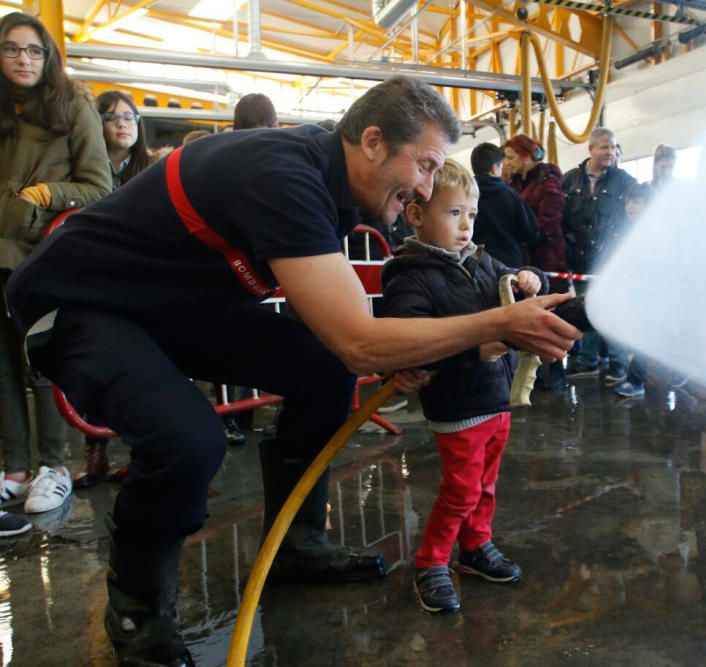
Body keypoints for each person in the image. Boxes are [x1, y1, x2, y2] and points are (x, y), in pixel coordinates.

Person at [5, 76, 578, 664]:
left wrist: (405, 349)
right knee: (188, 440)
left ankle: (297, 544)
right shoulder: (283, 174)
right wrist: (495, 324)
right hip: (80, 299)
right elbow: (360, 341)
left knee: (322, 370)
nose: (425, 189)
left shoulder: (334, 186)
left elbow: (351, 339)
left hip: (172, 307)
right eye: (426, 166)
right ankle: (139, 618)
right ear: (374, 141)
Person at [381, 159, 546, 613]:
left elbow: (514, 285)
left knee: (486, 484)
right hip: (458, 405)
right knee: (461, 490)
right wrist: (474, 350)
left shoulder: (482, 260)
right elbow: (410, 343)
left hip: (496, 399)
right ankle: (431, 562)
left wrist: (532, 278)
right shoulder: (410, 276)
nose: (466, 225)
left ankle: (475, 547)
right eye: (454, 214)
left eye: (471, 215)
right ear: (416, 215)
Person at [0, 13, 112, 525]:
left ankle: (53, 464)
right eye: (12, 49)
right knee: (2, 368)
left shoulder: (74, 104)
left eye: (34, 50)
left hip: (42, 255)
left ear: (48, 56)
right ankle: (16, 469)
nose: (24, 59)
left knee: (40, 363)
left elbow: (99, 187)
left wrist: (48, 194)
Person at [73, 91, 157, 489]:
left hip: (143, 283)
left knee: (155, 369)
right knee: (98, 368)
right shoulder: (86, 173)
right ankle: (96, 451)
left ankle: (151, 456)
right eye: (112, 117)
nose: (123, 123)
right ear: (97, 125)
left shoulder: (152, 168)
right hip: (97, 282)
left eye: (130, 117)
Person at [561, 127, 636, 384]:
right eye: (605, 147)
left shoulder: (626, 182)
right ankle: (588, 362)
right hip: (581, 261)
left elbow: (636, 219)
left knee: (613, 314)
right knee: (588, 311)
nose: (611, 152)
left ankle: (618, 366)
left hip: (611, 263)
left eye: (614, 147)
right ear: (591, 149)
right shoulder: (569, 180)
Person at [504, 133, 569, 391]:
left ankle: (555, 376)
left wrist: (524, 236)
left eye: (510, 157)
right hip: (528, 260)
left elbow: (550, 220)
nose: (507, 162)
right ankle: (536, 376)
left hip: (547, 259)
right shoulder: (519, 183)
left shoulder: (548, 181)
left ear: (525, 155)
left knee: (551, 316)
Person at [612, 183, 654, 398]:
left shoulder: (655, 231)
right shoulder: (631, 230)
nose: (630, 206)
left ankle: (636, 381)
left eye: (636, 201)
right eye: (628, 201)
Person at [469, 142, 538, 267]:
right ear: (495, 168)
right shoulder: (510, 195)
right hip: (510, 264)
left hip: (478, 265)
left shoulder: (466, 197)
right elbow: (530, 232)